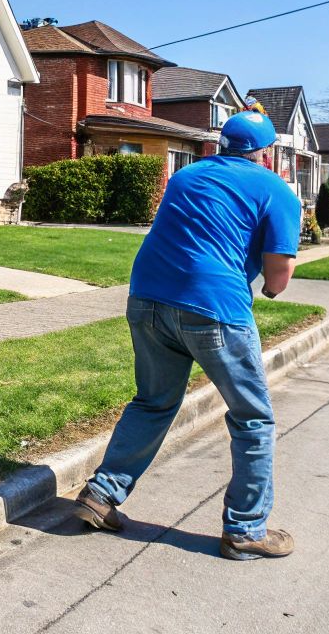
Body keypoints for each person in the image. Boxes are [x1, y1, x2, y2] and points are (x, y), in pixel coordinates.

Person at [73, 109, 302, 560]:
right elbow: (278, 276)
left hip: (147, 299)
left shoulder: (186, 176)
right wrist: (271, 290)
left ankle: (101, 496)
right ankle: (245, 530)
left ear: (220, 145)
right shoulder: (276, 190)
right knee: (253, 418)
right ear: (267, 152)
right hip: (215, 309)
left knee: (153, 401)